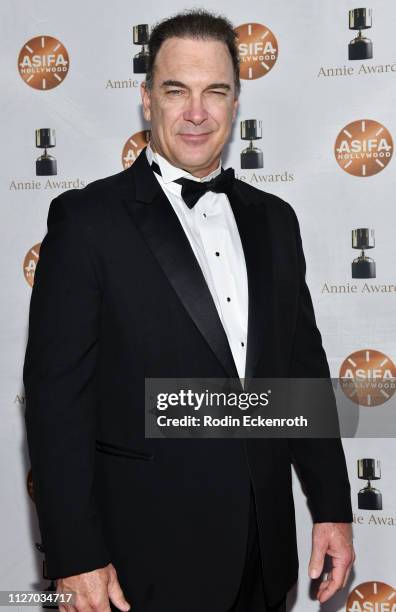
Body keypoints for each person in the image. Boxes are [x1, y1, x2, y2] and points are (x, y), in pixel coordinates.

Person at [23, 9, 355, 612]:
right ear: (148, 100)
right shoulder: (88, 222)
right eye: (177, 90)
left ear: (234, 102)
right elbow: (55, 403)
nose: (197, 112)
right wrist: (74, 556)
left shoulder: (276, 221)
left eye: (215, 92)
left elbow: (300, 376)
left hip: (264, 555)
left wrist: (332, 507)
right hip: (141, 563)